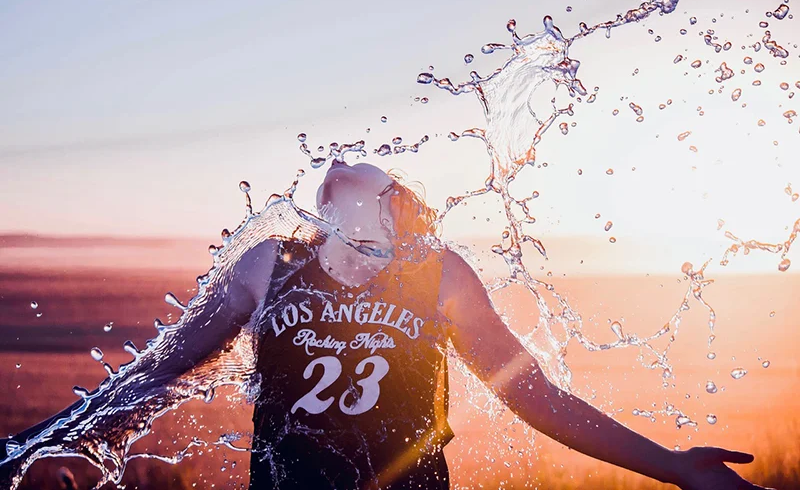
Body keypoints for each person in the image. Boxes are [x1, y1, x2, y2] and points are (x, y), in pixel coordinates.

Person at [1, 160, 768, 490]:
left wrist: (671, 464)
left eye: (390, 205)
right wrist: (26, 445)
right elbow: (154, 375)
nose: (378, 251)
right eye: (335, 185)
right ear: (325, 213)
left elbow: (530, 392)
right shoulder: (268, 264)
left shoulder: (438, 275)